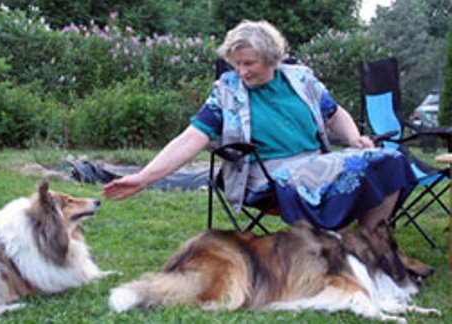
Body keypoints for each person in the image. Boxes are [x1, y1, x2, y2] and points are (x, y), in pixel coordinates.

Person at [103, 20, 415, 233]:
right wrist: (144, 177)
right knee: (344, 172)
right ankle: (337, 244)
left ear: (272, 58)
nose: (241, 71)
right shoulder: (226, 92)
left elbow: (335, 114)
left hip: (318, 161)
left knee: (388, 160)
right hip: (268, 172)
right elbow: (191, 138)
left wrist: (354, 137)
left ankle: (369, 240)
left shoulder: (301, 79)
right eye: (236, 63)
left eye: (249, 63)